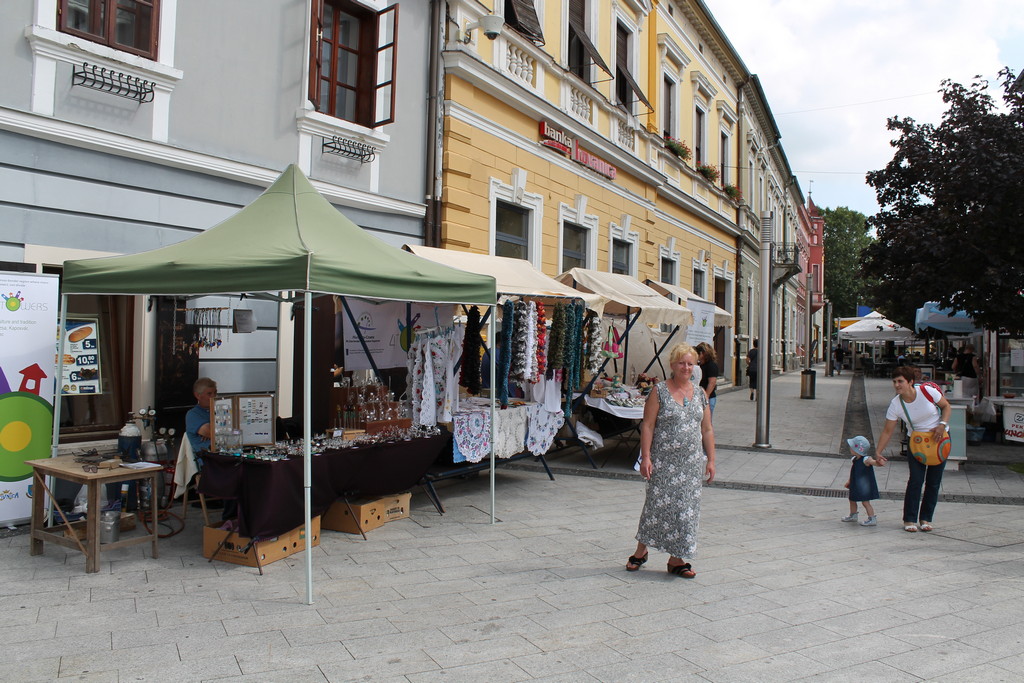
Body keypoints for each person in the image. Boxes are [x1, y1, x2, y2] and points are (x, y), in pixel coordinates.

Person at [626, 343, 716, 578]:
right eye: (681, 363)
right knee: (656, 505)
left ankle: (676, 559)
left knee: (685, 510)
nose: (686, 367)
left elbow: (707, 429)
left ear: (695, 366)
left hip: (690, 463)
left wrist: (711, 460)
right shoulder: (660, 391)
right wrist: (645, 457)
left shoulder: (700, 394)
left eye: (690, 363)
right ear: (673, 365)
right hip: (663, 461)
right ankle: (640, 551)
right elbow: (647, 425)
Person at [874, 366, 952, 533]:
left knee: (933, 481)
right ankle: (909, 519)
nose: (897, 385)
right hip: (916, 442)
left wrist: (942, 425)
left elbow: (946, 407)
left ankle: (926, 518)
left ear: (910, 382)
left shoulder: (927, 392)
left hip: (939, 439)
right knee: (916, 480)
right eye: (894, 381)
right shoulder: (896, 404)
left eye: (900, 381)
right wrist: (878, 452)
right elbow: (888, 430)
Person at [842, 435, 887, 526]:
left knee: (865, 502)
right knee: (852, 499)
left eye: (852, 446)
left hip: (864, 486)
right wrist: (849, 481)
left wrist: (879, 462)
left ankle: (872, 518)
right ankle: (853, 515)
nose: (850, 448)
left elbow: (873, 462)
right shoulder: (854, 459)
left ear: (857, 449)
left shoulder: (866, 459)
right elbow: (853, 472)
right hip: (856, 484)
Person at [185, 377, 217, 455]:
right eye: (209, 394)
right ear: (198, 396)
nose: (214, 397)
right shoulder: (192, 414)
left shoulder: (220, 410)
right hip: (207, 460)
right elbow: (210, 432)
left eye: (215, 393)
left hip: (225, 455)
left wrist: (214, 429)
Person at [695, 342, 719, 416]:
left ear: (702, 353)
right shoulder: (700, 364)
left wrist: (706, 397)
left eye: (697, 353)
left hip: (708, 398)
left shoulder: (711, 365)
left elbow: (712, 382)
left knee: (706, 421)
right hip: (700, 397)